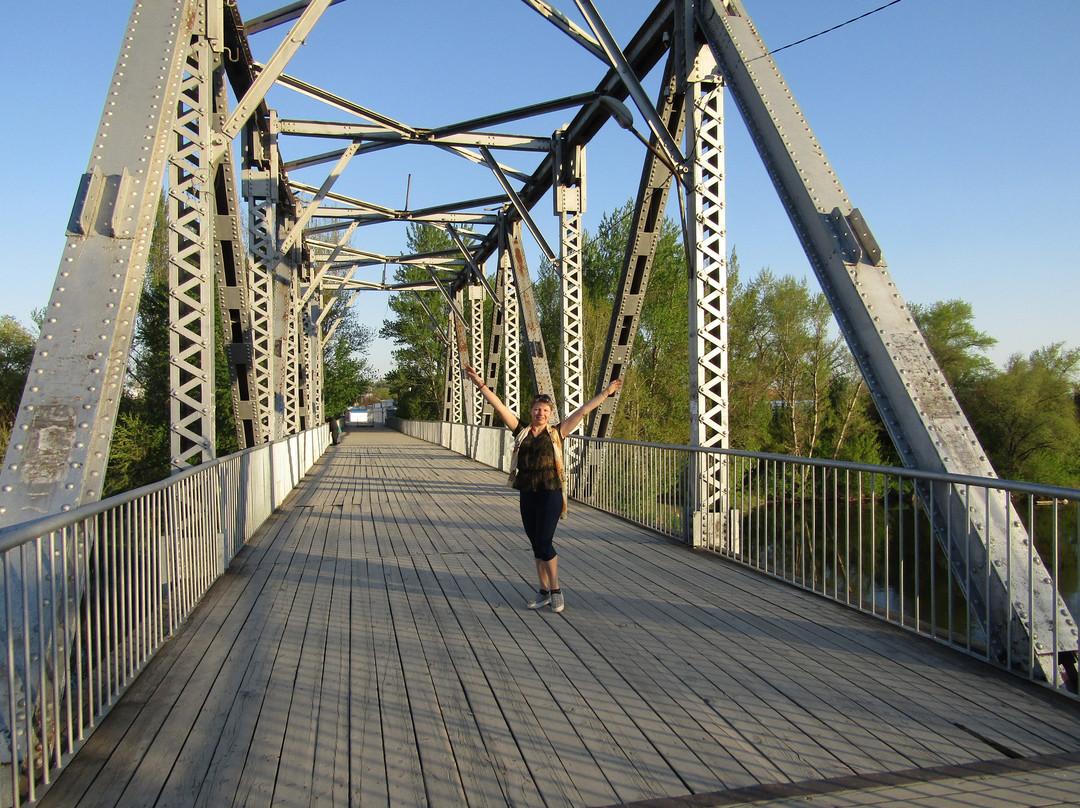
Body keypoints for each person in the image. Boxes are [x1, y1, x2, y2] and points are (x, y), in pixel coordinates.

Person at [464, 364, 622, 613]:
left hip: (550, 493)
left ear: (550, 414)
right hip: (527, 493)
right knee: (536, 544)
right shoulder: (521, 431)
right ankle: (543, 591)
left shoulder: (557, 433)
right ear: (531, 411)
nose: (541, 413)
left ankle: (556, 590)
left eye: (545, 410)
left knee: (545, 541)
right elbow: (498, 406)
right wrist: (478, 382)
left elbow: (582, 412)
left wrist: (606, 393)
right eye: (537, 409)